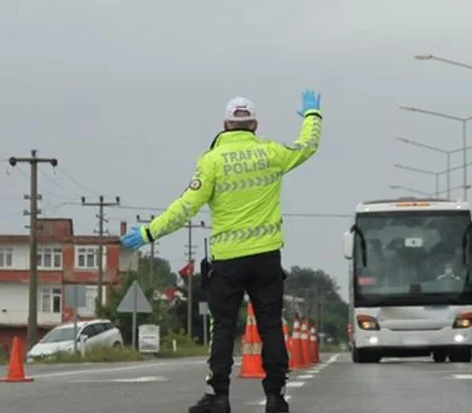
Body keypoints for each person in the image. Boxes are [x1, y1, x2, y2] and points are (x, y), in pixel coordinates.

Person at [120, 90, 322, 413]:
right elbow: (307, 146)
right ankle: (275, 397)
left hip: (227, 260)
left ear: (225, 124)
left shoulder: (211, 161)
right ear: (255, 124)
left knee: (223, 326)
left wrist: (148, 232)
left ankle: (219, 396)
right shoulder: (271, 153)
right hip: (267, 256)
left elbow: (185, 207)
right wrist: (312, 116)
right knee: (270, 325)